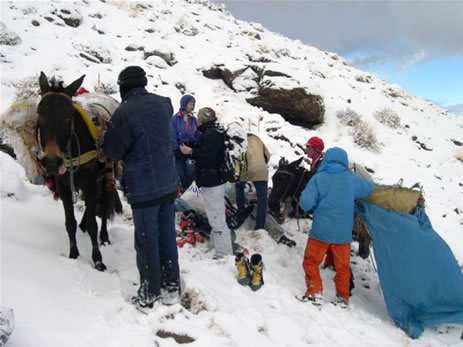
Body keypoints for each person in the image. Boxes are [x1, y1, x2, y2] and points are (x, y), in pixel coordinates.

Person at [103, 66, 180, 310]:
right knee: (167, 234)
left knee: (147, 240)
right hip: (169, 184)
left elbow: (113, 151)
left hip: (144, 188)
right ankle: (172, 284)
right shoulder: (164, 103)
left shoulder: (122, 113)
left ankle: (150, 292)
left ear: (122, 87)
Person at [299, 147, 373, 307]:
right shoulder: (352, 179)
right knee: (343, 268)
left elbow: (305, 203)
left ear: (326, 160)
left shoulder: (319, 178)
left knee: (311, 262)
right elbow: (369, 188)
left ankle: (315, 292)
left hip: (321, 233)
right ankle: (342, 298)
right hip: (343, 236)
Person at [180, 107, 234, 257]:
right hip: (213, 180)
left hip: (213, 181)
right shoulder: (213, 132)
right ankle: (217, 246)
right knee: (214, 215)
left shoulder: (211, 135)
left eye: (199, 118)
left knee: (217, 218)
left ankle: (224, 253)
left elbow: (207, 158)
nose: (197, 121)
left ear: (203, 119)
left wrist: (190, 151)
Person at [235, 134, 270, 230]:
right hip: (262, 170)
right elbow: (267, 154)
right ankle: (259, 226)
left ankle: (241, 211)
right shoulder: (258, 139)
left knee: (239, 186)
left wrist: (238, 174)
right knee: (262, 199)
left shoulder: (240, 140)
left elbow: (238, 158)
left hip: (248, 169)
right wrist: (262, 164)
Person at [170, 94, 200, 192]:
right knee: (181, 174)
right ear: (184, 104)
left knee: (190, 174)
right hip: (179, 150)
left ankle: (191, 195)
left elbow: (197, 134)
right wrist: (177, 149)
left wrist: (195, 147)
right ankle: (184, 194)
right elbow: (172, 135)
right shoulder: (175, 119)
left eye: (193, 104)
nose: (192, 107)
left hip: (190, 150)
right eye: (190, 104)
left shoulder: (193, 119)